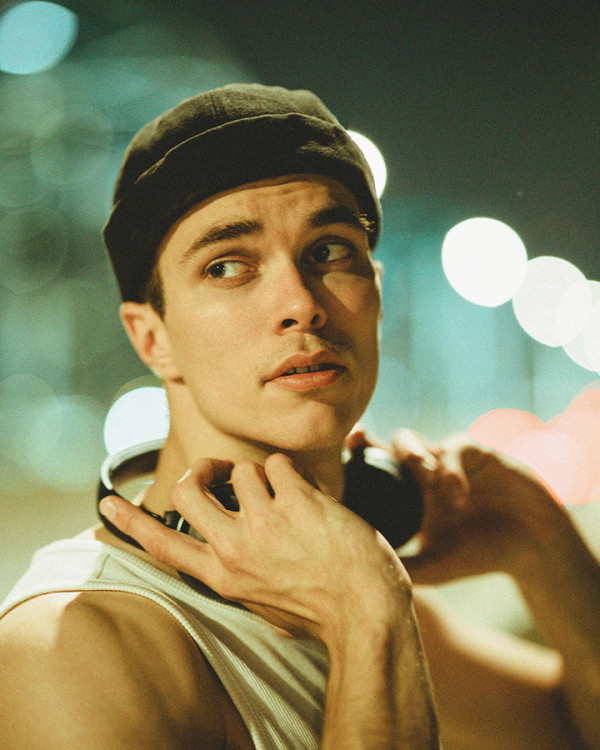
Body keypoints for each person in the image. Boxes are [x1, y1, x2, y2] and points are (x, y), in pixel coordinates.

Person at [0, 83, 599, 750]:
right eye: (227, 266)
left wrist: (546, 551)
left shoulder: (350, 582)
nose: (301, 304)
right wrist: (367, 619)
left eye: (329, 252)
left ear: (375, 292)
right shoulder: (69, 649)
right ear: (152, 338)